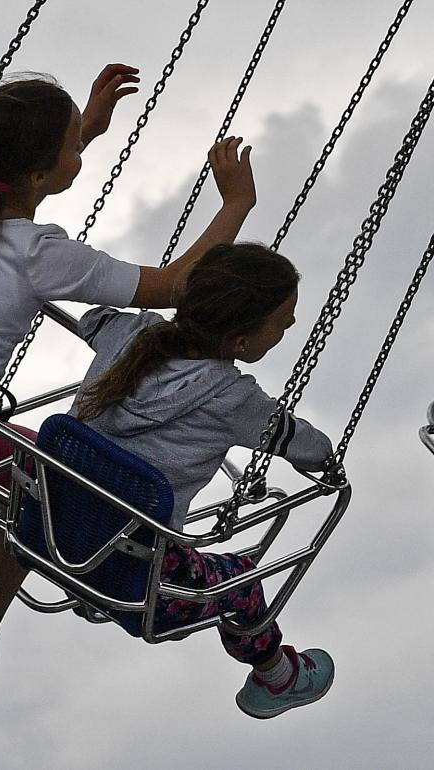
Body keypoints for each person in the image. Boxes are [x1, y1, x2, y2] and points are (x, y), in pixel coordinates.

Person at [0, 63, 258, 717]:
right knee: (56, 486)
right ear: (39, 174)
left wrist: (82, 127)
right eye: (69, 147)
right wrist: (235, 204)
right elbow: (177, 287)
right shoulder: (42, 252)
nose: (77, 152)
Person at [67, 242, 336, 719]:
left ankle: (92, 592)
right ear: (239, 343)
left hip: (52, 527)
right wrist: (327, 461)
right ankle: (278, 678)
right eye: (282, 320)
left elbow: (92, 322)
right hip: (140, 580)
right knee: (243, 583)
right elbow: (309, 446)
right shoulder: (234, 397)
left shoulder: (132, 332)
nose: (291, 325)